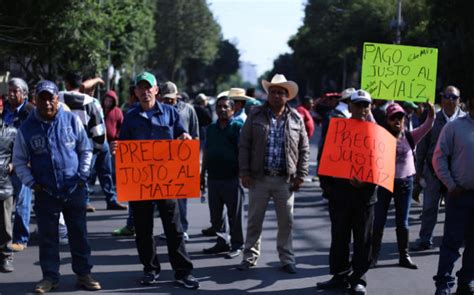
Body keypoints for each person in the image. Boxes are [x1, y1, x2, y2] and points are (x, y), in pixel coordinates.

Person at [13, 80, 100, 293]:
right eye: (42, 99)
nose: (47, 104)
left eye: (50, 98)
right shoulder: (26, 129)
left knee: (79, 234)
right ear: (35, 100)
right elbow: (19, 161)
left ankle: (83, 274)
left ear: (57, 99)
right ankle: (50, 277)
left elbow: (85, 149)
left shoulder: (71, 120)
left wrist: (82, 175)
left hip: (74, 189)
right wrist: (32, 183)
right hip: (46, 192)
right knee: (48, 238)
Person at [117, 72, 199, 289]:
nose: (144, 92)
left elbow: (182, 135)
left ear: (156, 90)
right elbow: (123, 146)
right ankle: (150, 269)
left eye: (148, 87)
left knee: (174, 228)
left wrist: (186, 138)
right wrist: (118, 150)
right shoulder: (130, 117)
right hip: (140, 183)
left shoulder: (171, 113)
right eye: (140, 88)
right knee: (143, 229)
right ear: (135, 92)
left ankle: (183, 272)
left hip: (167, 181)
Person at [237, 74, 310, 274]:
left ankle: (287, 258)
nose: (276, 95)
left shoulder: (296, 118)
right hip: (258, 178)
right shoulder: (255, 114)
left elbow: (304, 149)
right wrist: (244, 172)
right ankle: (249, 256)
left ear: (288, 96)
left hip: (285, 180)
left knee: (286, 221)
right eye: (273, 92)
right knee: (254, 220)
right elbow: (244, 145)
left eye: (281, 92)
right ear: (268, 94)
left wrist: (301, 175)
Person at [316, 90, 376, 295]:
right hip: (339, 196)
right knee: (339, 238)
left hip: (365, 198)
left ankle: (359, 279)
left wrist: (366, 184)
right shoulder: (337, 129)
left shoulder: (376, 134)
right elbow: (324, 158)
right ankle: (339, 276)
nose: (361, 109)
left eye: (365, 105)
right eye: (357, 105)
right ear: (350, 107)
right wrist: (329, 189)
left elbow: (382, 168)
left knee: (362, 240)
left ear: (370, 107)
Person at [370, 102, 435, 270]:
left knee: (403, 222)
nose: (397, 120)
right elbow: (370, 121)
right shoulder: (381, 135)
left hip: (405, 183)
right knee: (378, 221)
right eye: (393, 117)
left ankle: (404, 256)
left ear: (404, 119)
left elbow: (428, 125)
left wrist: (431, 110)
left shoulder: (411, 136)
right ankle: (373, 256)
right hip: (384, 182)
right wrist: (369, 108)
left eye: (400, 117)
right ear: (388, 120)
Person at [412, 86, 466, 251]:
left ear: (459, 100)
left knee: (454, 210)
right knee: (429, 208)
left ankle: (452, 240)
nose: (450, 100)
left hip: (456, 174)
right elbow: (422, 146)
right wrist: (418, 171)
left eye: (454, 97)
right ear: (441, 99)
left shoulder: (466, 120)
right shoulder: (432, 118)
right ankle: (425, 239)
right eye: (446, 96)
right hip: (433, 171)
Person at [431, 93, 474, 295]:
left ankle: (467, 281)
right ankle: (444, 285)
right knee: (451, 243)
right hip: (459, 195)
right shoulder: (454, 127)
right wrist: (450, 184)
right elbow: (438, 157)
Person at [201, 96, 244, 259]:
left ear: (233, 110)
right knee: (216, 216)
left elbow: (243, 151)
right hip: (213, 177)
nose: (222, 109)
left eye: (226, 107)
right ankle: (222, 242)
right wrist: (202, 173)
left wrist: (243, 174)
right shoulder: (211, 129)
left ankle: (237, 245)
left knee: (235, 214)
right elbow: (206, 152)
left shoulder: (238, 127)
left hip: (232, 177)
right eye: (219, 106)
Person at [159, 81, 199, 241]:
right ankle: (169, 229)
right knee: (166, 199)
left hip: (183, 162)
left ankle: (183, 228)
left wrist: (197, 161)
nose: (169, 101)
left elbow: (195, 135)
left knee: (181, 198)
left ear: (177, 96)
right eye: (165, 98)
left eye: (172, 98)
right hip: (163, 161)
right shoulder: (158, 110)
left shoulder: (188, 109)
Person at [4, 78, 33, 253]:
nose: (12, 94)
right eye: (10, 90)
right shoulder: (5, 109)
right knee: (5, 202)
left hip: (22, 162)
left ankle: (21, 239)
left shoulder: (31, 112)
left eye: (15, 91)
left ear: (24, 93)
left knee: (22, 200)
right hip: (4, 162)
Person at [0, 102, 17, 273]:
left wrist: (10, 166)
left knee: (5, 226)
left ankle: (6, 255)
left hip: (3, 185)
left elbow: (20, 156)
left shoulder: (12, 132)